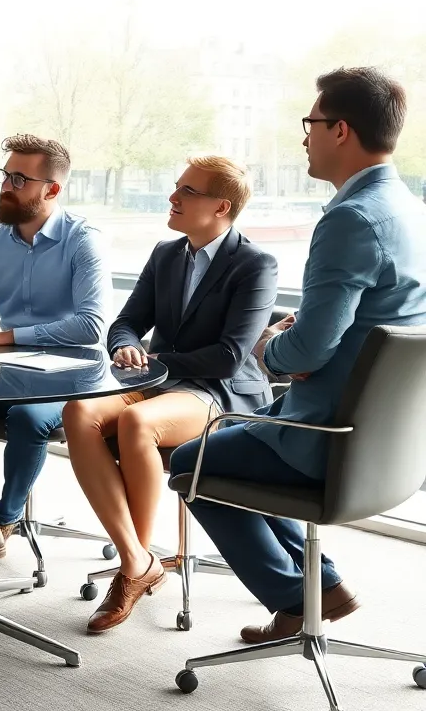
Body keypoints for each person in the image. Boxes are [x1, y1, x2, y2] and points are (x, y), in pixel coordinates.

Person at [171, 67, 426, 644]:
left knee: (190, 463)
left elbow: (308, 349)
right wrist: (305, 339)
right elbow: (370, 328)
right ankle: (322, 586)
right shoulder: (411, 209)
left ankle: (297, 597)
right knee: (228, 456)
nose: (304, 137)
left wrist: (270, 349)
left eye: (309, 124)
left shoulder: (351, 218)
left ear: (339, 129)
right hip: (391, 441)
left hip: (326, 433)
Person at [63, 155, 276, 632]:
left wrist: (156, 361)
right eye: (176, 187)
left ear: (221, 206)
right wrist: (127, 346)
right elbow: (126, 323)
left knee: (138, 424)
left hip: (218, 392)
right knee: (79, 411)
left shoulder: (255, 264)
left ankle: (132, 569)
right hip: (158, 383)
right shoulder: (166, 254)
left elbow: (228, 355)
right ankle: (138, 560)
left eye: (188, 192)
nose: (173, 198)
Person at [0, 133, 109, 569]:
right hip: (10, 371)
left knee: (28, 417)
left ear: (51, 189)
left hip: (71, 376)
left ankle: (7, 518)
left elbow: (91, 325)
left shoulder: (82, 240)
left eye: (19, 178)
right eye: (4, 174)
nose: (5, 186)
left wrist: (7, 337)